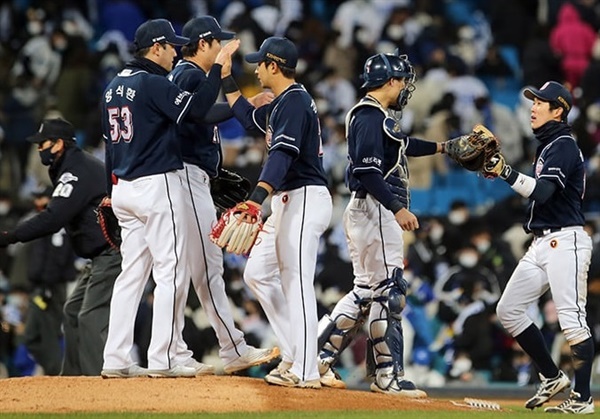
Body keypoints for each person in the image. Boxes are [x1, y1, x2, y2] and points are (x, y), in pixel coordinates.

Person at [100, 18, 239, 378]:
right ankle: (162, 358)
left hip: (123, 188)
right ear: (157, 47)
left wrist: (109, 193)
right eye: (171, 46)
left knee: (130, 276)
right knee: (171, 271)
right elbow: (197, 109)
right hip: (155, 185)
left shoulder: (113, 87)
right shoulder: (151, 83)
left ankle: (114, 359)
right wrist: (219, 69)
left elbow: (109, 146)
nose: (176, 52)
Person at [316, 51, 456, 397]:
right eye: (403, 81)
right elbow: (366, 170)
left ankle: (316, 357)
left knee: (366, 292)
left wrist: (444, 147)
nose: (406, 87)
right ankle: (387, 376)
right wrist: (396, 208)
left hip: (371, 210)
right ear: (391, 81)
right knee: (388, 293)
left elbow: (403, 146)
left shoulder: (375, 116)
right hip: (377, 209)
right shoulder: (368, 115)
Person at [167, 15, 278, 374]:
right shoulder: (189, 74)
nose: (222, 49)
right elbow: (192, 115)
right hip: (185, 176)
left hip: (190, 177)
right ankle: (225, 349)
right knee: (204, 267)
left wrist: (244, 104)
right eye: (217, 43)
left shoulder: (188, 76)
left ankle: (182, 350)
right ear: (203, 44)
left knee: (194, 269)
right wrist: (239, 103)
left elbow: (195, 117)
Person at [223, 36, 333, 388]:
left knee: (296, 284)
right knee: (256, 273)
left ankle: (305, 370)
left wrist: (256, 198)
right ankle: (295, 354)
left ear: (274, 66)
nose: (256, 68)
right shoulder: (285, 102)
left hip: (303, 198)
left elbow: (282, 156)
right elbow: (246, 117)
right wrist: (226, 77)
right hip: (288, 201)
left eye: (260, 63)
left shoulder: (295, 102)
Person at [485, 81, 594, 414]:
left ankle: (584, 398)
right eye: (533, 101)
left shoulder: (562, 144)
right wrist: (505, 174)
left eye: (540, 102)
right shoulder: (548, 146)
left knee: (573, 322)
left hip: (566, 242)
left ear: (558, 110)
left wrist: (505, 172)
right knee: (509, 310)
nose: (533, 106)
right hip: (542, 242)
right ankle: (551, 376)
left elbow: (543, 193)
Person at [0, 117, 122, 376]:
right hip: (100, 254)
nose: (38, 148)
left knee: (89, 316)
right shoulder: (70, 164)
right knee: (72, 310)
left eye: (42, 143)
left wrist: (10, 236)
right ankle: (73, 380)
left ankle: (95, 382)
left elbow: (53, 218)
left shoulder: (76, 169)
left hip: (113, 251)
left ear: (58, 144)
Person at [22, 186, 76, 375]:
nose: (38, 202)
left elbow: (58, 257)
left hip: (51, 287)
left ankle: (56, 374)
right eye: (36, 198)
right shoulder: (43, 221)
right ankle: (54, 372)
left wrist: (48, 286)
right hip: (39, 286)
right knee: (32, 337)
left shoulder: (58, 223)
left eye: (41, 198)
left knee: (46, 334)